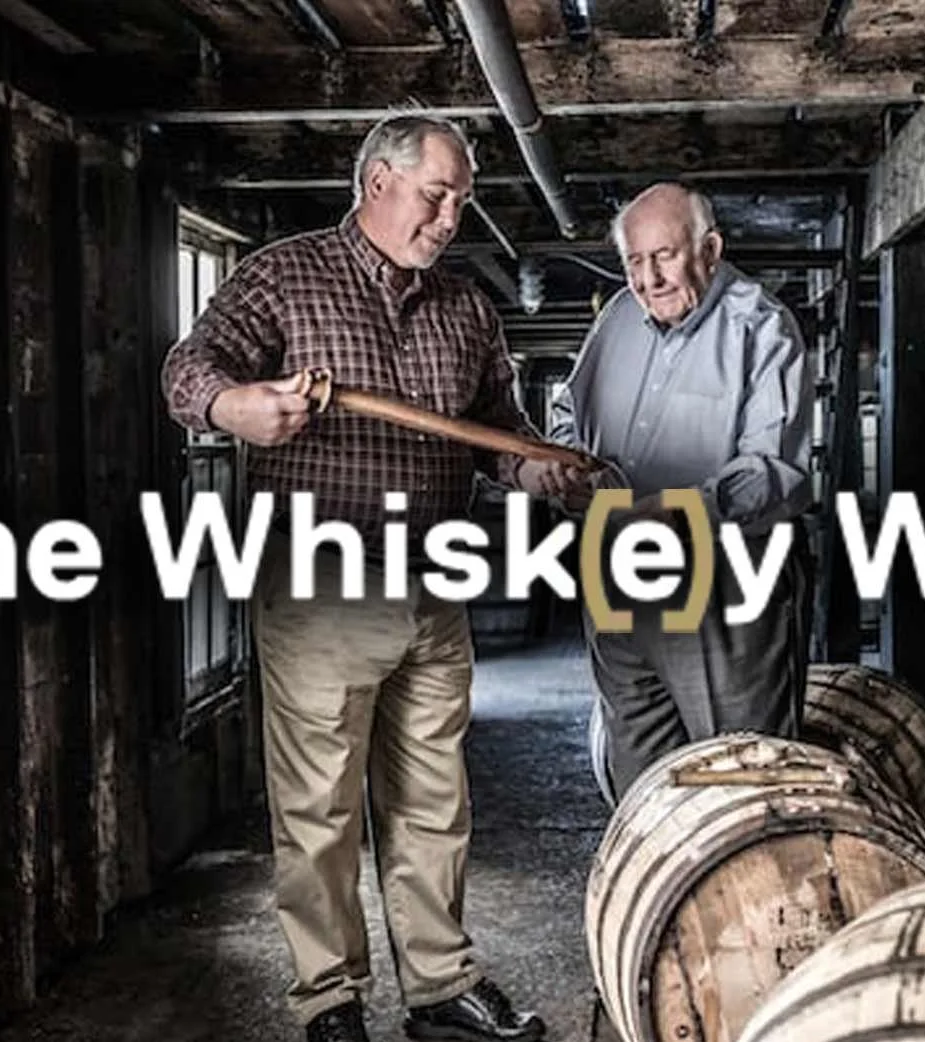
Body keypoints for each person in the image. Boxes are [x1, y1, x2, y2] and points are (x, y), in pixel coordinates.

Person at [161, 113, 581, 1042]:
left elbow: (497, 433)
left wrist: (535, 467)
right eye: (437, 195)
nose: (449, 217)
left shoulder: (466, 304)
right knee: (319, 810)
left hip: (434, 584)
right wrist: (233, 405)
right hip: (321, 587)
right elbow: (186, 367)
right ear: (378, 182)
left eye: (462, 200)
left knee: (435, 800)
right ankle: (330, 1001)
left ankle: (439, 991)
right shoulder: (284, 275)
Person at [547, 182, 816, 803]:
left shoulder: (761, 326)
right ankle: (659, 894)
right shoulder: (616, 320)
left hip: (720, 579)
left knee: (741, 773)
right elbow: (566, 414)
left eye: (665, 256)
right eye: (635, 262)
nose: (649, 278)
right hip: (618, 571)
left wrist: (689, 507)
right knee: (638, 771)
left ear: (710, 248)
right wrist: (566, 466)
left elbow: (777, 467)